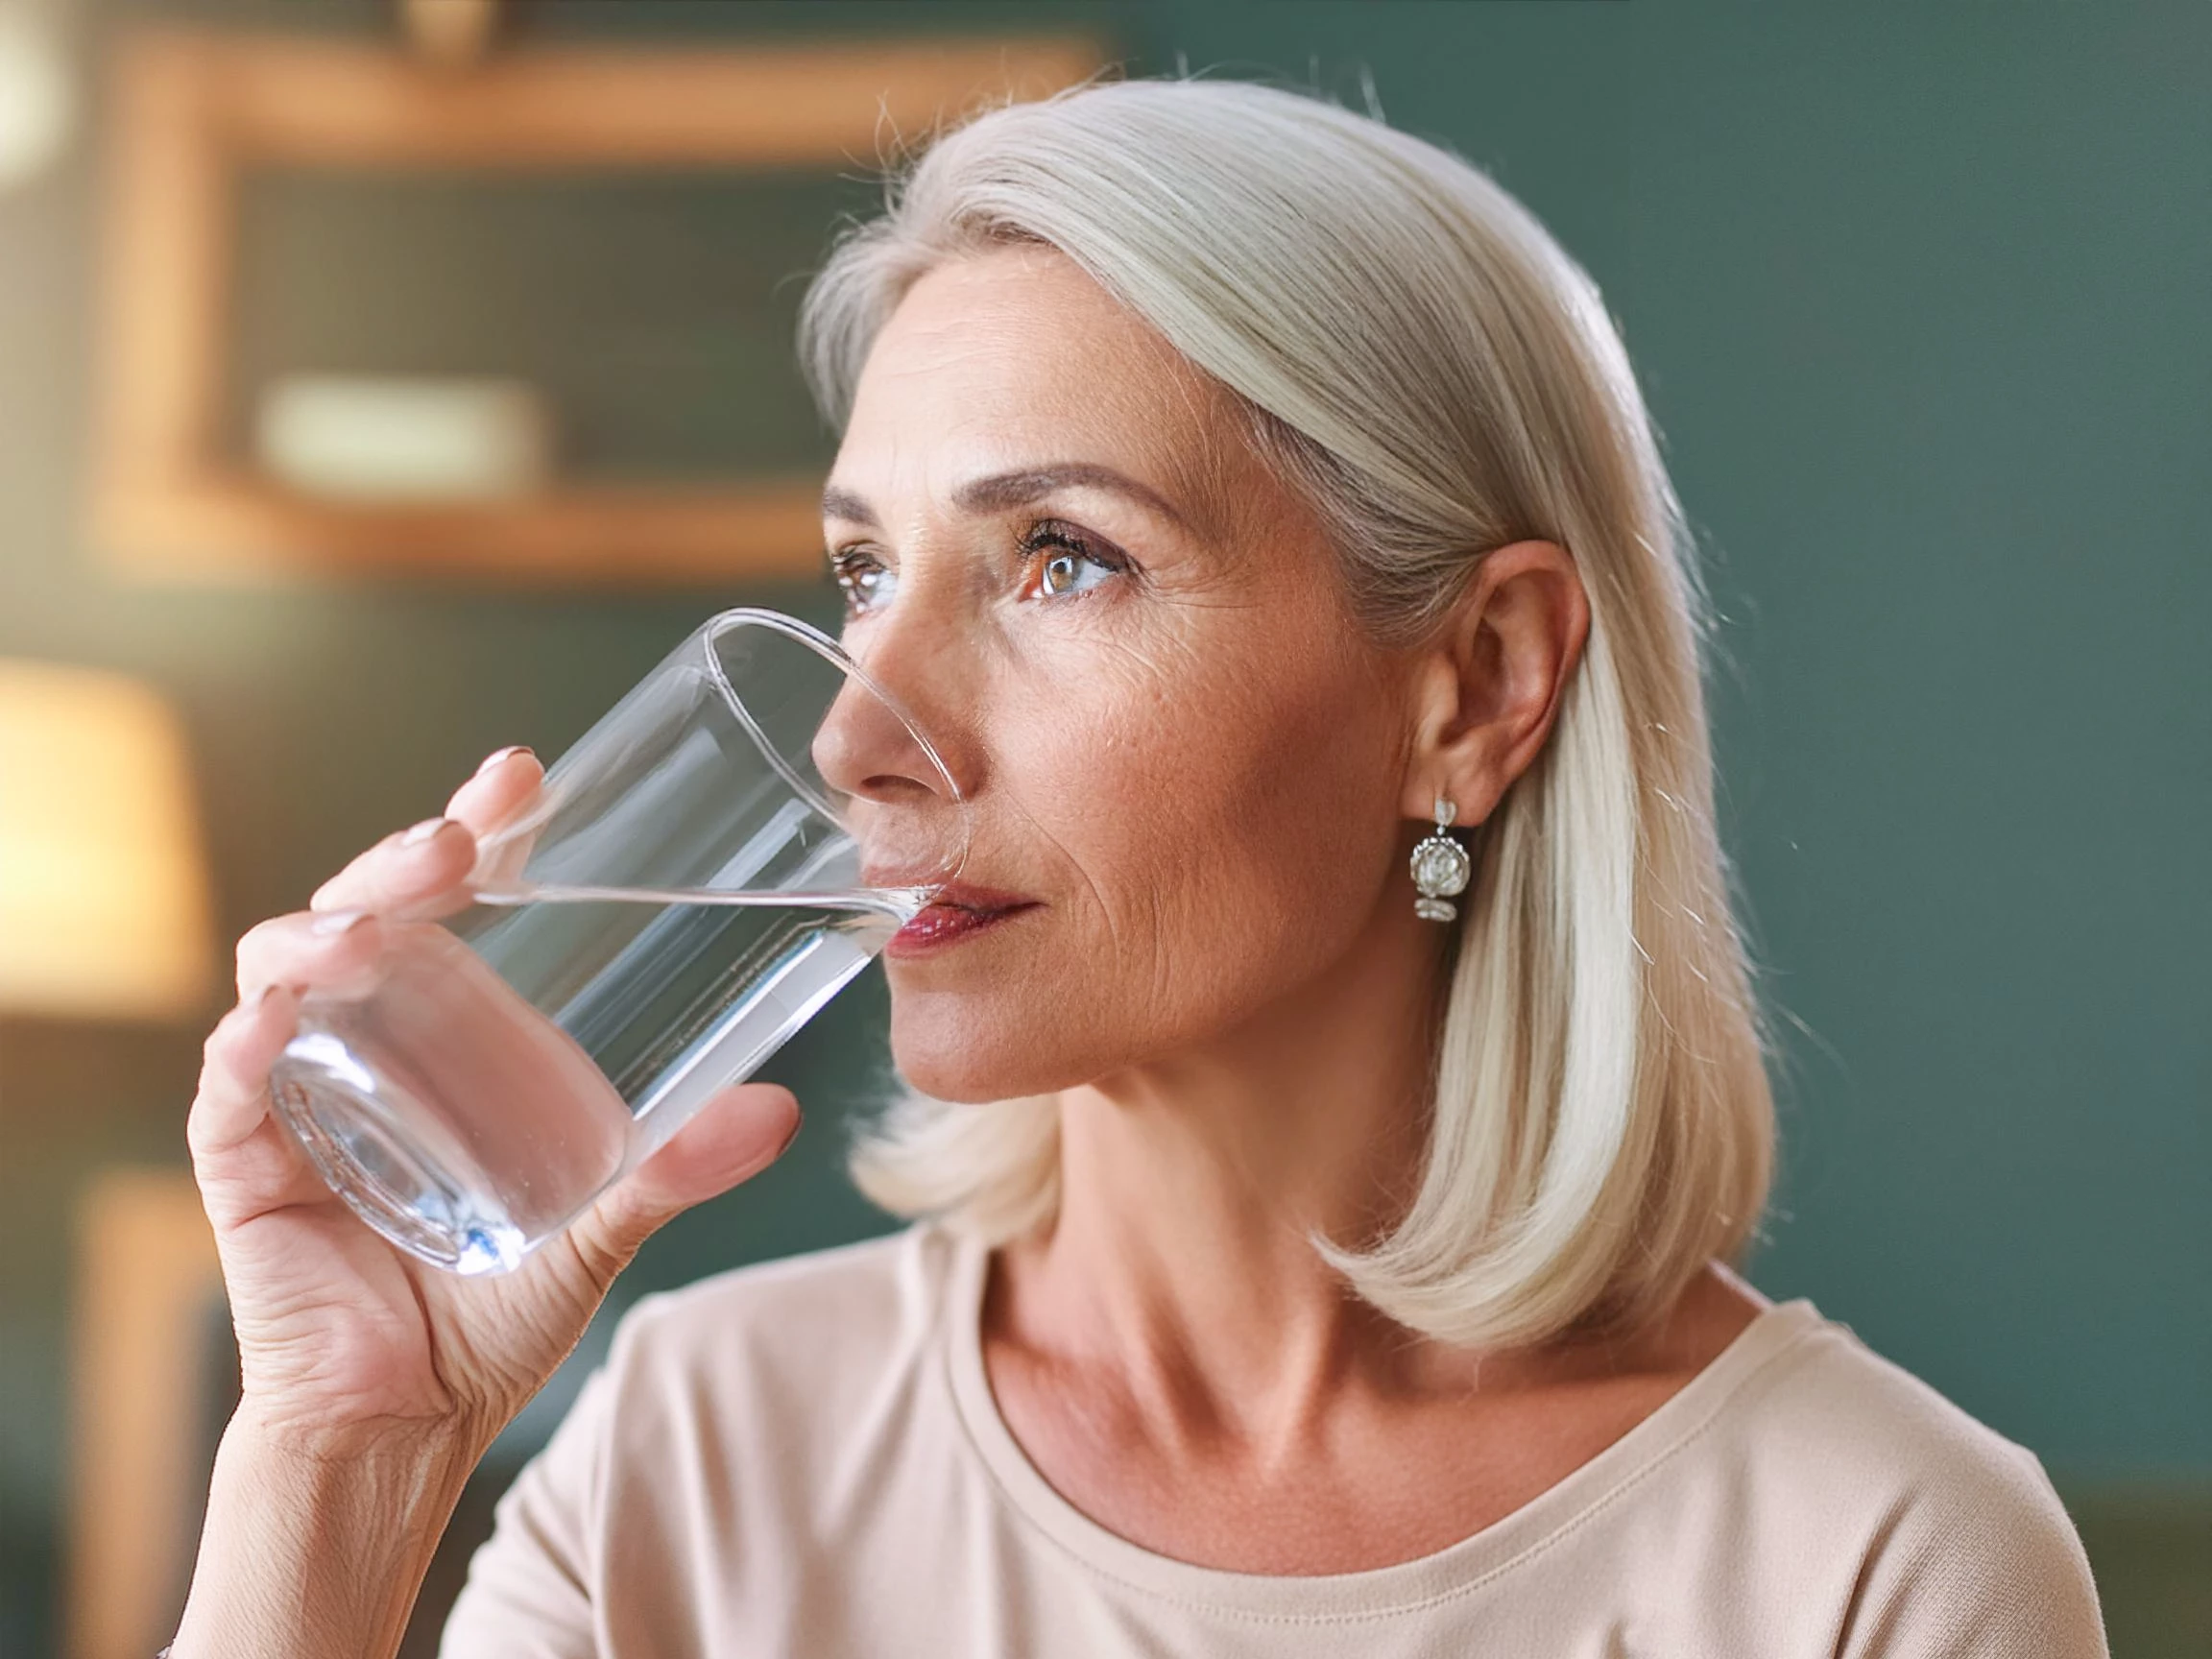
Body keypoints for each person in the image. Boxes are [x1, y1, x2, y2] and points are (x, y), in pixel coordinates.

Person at [174, 77, 2105, 1657]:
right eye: (865, 573)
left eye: (1061, 559)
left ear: (1478, 685)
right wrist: (342, 1466)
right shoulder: (699, 1456)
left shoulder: (1880, 1569)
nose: (860, 734)